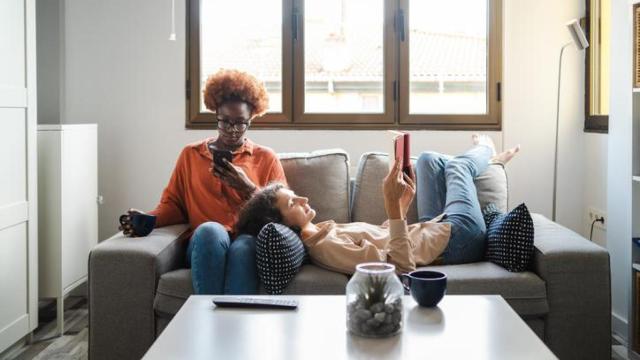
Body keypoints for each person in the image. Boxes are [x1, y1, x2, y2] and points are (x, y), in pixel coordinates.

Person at [235, 135, 519, 275]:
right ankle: (487, 151)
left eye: (295, 194)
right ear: (281, 222)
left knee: (429, 159)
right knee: (457, 167)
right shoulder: (327, 248)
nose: (304, 199)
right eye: (292, 203)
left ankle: (478, 163)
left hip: (430, 229)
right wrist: (392, 208)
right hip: (458, 239)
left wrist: (403, 207)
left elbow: (384, 240)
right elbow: (401, 269)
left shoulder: (322, 231)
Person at [118, 69, 287, 294]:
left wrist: (247, 188)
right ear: (215, 115)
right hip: (205, 242)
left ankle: (233, 323)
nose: (233, 130)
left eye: (240, 123)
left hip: (245, 239)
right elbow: (173, 205)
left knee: (245, 246)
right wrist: (147, 219)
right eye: (225, 121)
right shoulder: (191, 155)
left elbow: (284, 213)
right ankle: (208, 319)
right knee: (210, 230)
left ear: (251, 120)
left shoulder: (266, 158)